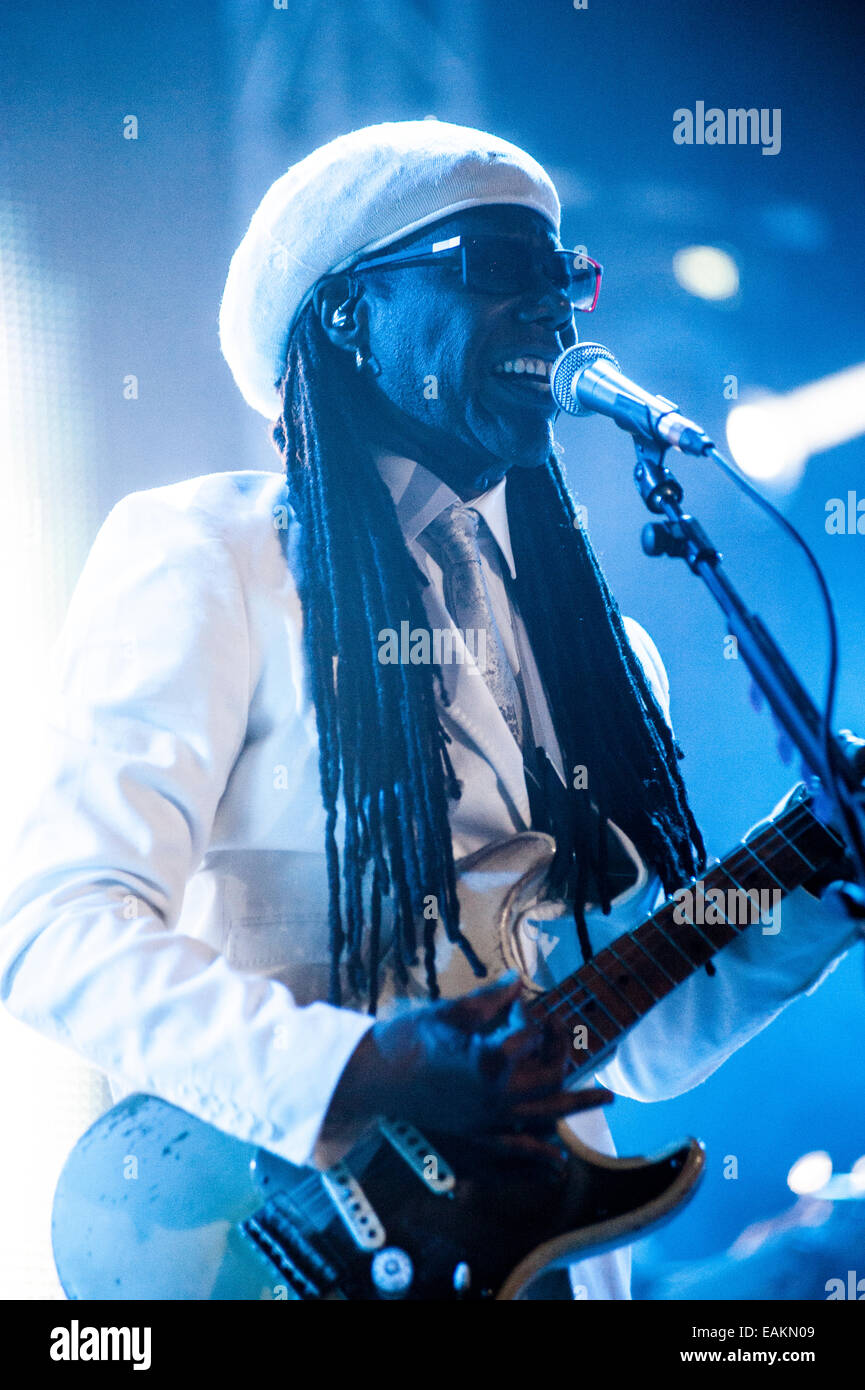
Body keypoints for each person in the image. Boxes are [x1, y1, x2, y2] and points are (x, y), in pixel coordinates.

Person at [0, 120, 859, 1301]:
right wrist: (359, 1068)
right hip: (279, 1243)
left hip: (540, 1268)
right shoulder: (212, 556)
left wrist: (821, 885)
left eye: (564, 277)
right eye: (496, 269)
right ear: (347, 319)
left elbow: (628, 1039)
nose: (554, 309)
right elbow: (52, 931)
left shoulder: (601, 656)